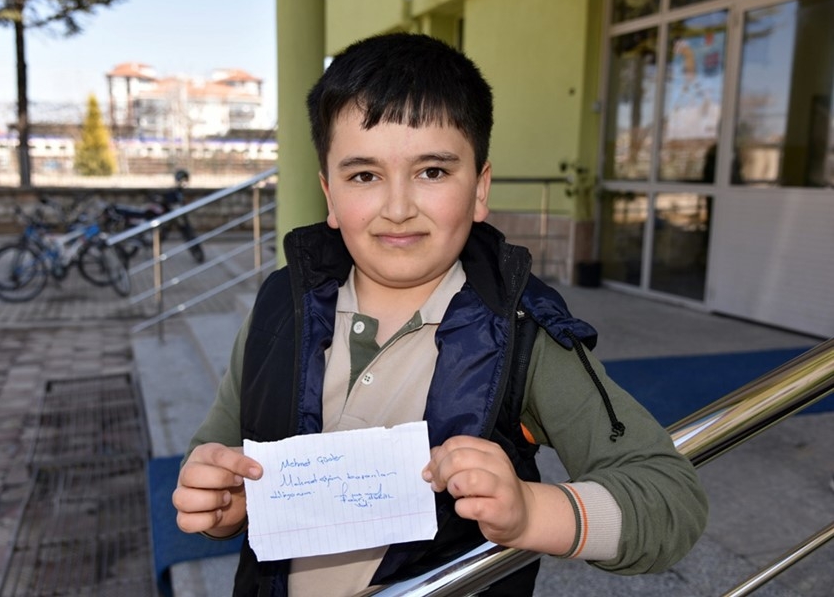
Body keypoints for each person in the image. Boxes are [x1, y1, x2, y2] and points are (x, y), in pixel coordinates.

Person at [173, 33, 708, 596]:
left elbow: (670, 502)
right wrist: (219, 501)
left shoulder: (524, 336)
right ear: (329, 195)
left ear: (479, 189)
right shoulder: (280, 307)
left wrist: (531, 511)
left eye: (432, 171)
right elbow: (214, 453)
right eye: (364, 175)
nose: (398, 208)